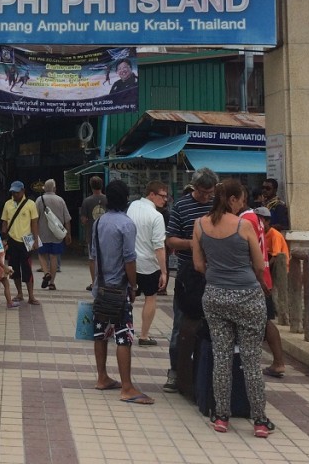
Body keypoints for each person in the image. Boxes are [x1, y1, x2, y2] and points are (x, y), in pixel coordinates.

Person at [192, 179, 273, 437]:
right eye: (241, 199)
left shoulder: (200, 224)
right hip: (247, 296)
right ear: (232, 199)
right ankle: (259, 420)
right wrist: (260, 284)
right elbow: (260, 266)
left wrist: (217, 276)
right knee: (250, 360)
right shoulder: (244, 226)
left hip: (214, 295)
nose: (243, 204)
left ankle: (222, 417)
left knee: (222, 357)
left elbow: (198, 265)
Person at [90, 179, 151, 404]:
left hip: (101, 288)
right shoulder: (126, 224)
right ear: (126, 199)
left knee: (100, 333)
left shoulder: (98, 223)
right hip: (119, 289)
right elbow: (130, 260)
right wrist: (133, 286)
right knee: (123, 336)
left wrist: (96, 284)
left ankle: (102, 377)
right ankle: (127, 387)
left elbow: (93, 257)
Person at [163, 166, 218, 393]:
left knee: (214, 324)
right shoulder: (181, 206)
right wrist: (193, 243)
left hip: (215, 272)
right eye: (203, 192)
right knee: (181, 323)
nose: (206, 197)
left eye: (210, 192)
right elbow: (170, 240)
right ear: (194, 187)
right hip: (188, 273)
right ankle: (176, 370)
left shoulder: (217, 205)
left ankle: (210, 371)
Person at [240, 202, 286, 379]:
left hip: (258, 279)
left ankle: (279, 362)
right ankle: (277, 362)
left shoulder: (247, 220)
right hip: (260, 278)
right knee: (263, 320)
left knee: (265, 321)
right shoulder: (254, 223)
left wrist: (259, 279)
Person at [127, 181, 169, 346]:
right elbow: (159, 247)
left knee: (127, 297)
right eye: (162, 196)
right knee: (150, 298)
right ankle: (144, 335)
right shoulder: (157, 216)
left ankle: (121, 329)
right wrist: (164, 271)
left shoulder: (132, 206)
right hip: (149, 265)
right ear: (151, 194)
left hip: (130, 261)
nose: (164, 200)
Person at [2, 180, 41, 305]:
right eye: (13, 192)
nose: (14, 195)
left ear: (23, 191)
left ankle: (31, 296)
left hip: (26, 240)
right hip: (12, 240)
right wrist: (3, 238)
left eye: (17, 192)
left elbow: (34, 223)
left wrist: (35, 240)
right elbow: (4, 222)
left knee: (27, 269)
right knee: (14, 268)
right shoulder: (8, 204)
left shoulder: (30, 204)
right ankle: (19, 293)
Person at [36, 179, 71, 291]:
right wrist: (68, 234)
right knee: (54, 257)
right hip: (56, 235)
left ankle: (46, 272)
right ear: (54, 188)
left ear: (45, 188)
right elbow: (67, 219)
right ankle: (52, 283)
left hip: (42, 234)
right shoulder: (60, 200)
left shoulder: (39, 200)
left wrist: (33, 232)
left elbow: (34, 218)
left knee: (41, 255)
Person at [80, 176, 107, 291]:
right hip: (106, 234)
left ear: (91, 186)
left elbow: (84, 220)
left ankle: (94, 282)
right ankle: (105, 282)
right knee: (106, 258)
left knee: (92, 259)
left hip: (92, 234)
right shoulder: (108, 199)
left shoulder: (87, 201)